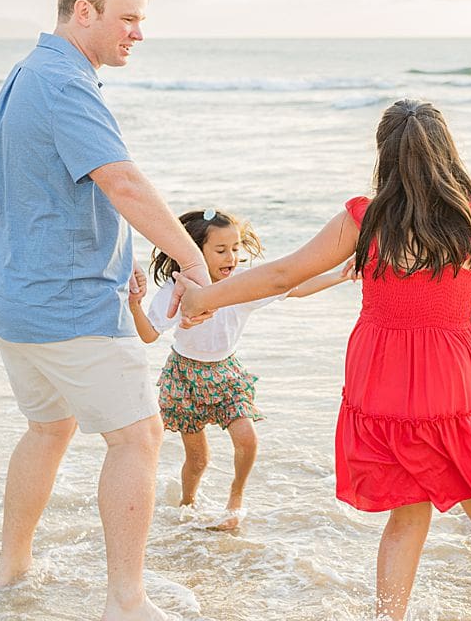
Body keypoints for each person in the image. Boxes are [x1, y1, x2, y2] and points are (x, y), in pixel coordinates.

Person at [175, 99, 471, 621]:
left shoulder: (364, 217)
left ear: (385, 156)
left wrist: (204, 299)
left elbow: (282, 274)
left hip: (382, 375)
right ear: (446, 152)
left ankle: (388, 618)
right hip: (453, 376)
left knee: (406, 513)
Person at [0, 0, 209, 621]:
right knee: (138, 438)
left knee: (49, 427)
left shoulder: (30, 72)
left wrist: (121, 256)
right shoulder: (66, 84)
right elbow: (123, 183)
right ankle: (125, 602)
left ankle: (11, 573)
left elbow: (45, 191)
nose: (138, 34)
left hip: (13, 297)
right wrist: (191, 260)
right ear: (86, 12)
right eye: (128, 19)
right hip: (66, 305)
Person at [127, 208, 350, 531]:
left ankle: (235, 500)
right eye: (220, 250)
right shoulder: (177, 291)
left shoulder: (245, 287)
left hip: (226, 374)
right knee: (198, 459)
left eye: (235, 248)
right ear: (194, 252)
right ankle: (186, 507)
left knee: (247, 439)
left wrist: (341, 273)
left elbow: (295, 286)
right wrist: (134, 305)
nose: (231, 256)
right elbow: (149, 334)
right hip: (185, 377)